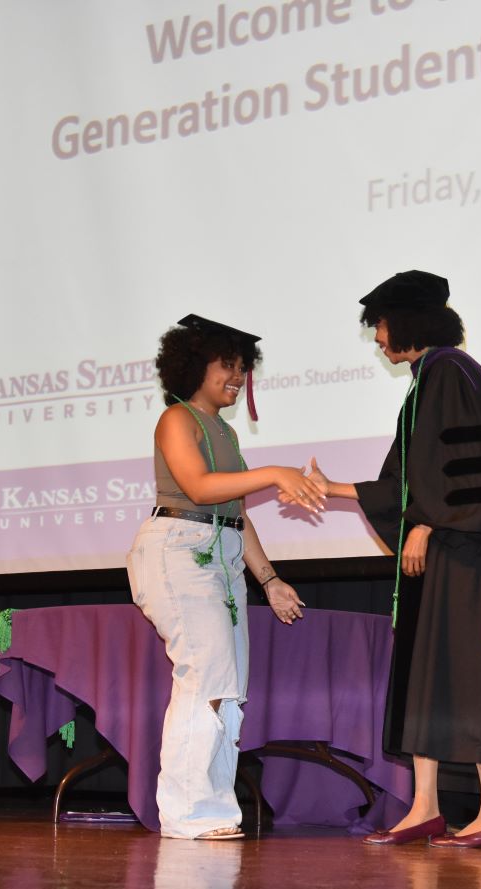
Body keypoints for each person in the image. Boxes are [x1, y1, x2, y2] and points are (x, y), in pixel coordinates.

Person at [305, 271, 481, 849]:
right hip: (454, 545)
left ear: (407, 321)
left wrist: (429, 520)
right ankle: (425, 806)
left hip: (475, 548)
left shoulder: (451, 371)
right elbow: (410, 479)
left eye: (380, 325)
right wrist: (333, 489)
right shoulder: (428, 378)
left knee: (472, 673)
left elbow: (466, 479)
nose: (377, 338)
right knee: (429, 673)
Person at [127, 314, 325, 840]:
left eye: (243, 368)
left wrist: (270, 580)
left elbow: (235, 512)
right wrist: (275, 473)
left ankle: (213, 809)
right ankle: (187, 812)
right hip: (178, 550)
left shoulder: (226, 430)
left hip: (221, 553)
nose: (238, 377)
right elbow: (196, 487)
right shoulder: (177, 418)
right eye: (227, 366)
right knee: (207, 677)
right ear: (194, 366)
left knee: (228, 688)